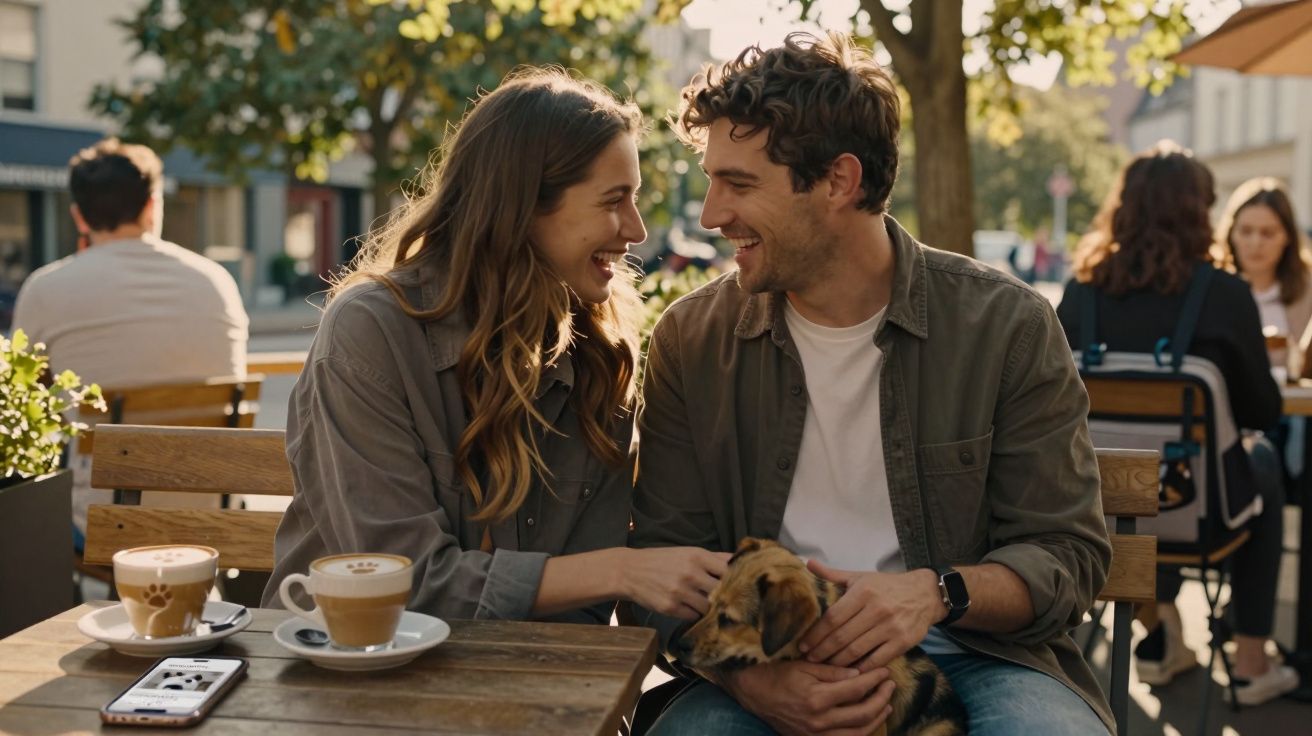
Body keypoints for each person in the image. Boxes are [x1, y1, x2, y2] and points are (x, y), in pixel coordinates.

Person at [630, 34, 1114, 735]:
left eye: (738, 184)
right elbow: (660, 561)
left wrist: (934, 594)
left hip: (979, 654)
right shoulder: (692, 339)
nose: (710, 214)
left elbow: (1066, 555)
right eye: (711, 179)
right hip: (763, 660)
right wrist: (759, 682)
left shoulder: (1005, 326)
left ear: (838, 181)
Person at [261, 68, 728, 625]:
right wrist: (622, 570)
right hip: (354, 670)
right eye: (613, 200)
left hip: (531, 682)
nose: (636, 230)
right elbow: (397, 579)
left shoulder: (599, 349)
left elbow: (584, 610)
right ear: (523, 206)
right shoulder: (372, 334)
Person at [1056, 142, 1296, 705]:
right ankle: (1254, 658)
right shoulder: (1227, 297)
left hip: (1095, 511)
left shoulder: (1080, 293)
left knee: (1137, 480)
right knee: (1257, 462)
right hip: (1197, 513)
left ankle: (1158, 637)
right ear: (1198, 212)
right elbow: (1263, 413)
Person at [12, 138, 248, 540]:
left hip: (105, 522)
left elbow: (24, 397)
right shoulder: (216, 280)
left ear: (79, 218)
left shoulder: (46, 288)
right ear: (152, 206)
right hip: (210, 511)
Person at [1215, 177, 1312, 379]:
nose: (1255, 243)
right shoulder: (1213, 288)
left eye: (1268, 233)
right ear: (1231, 233)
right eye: (1246, 231)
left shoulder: (1307, 292)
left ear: (1287, 236)